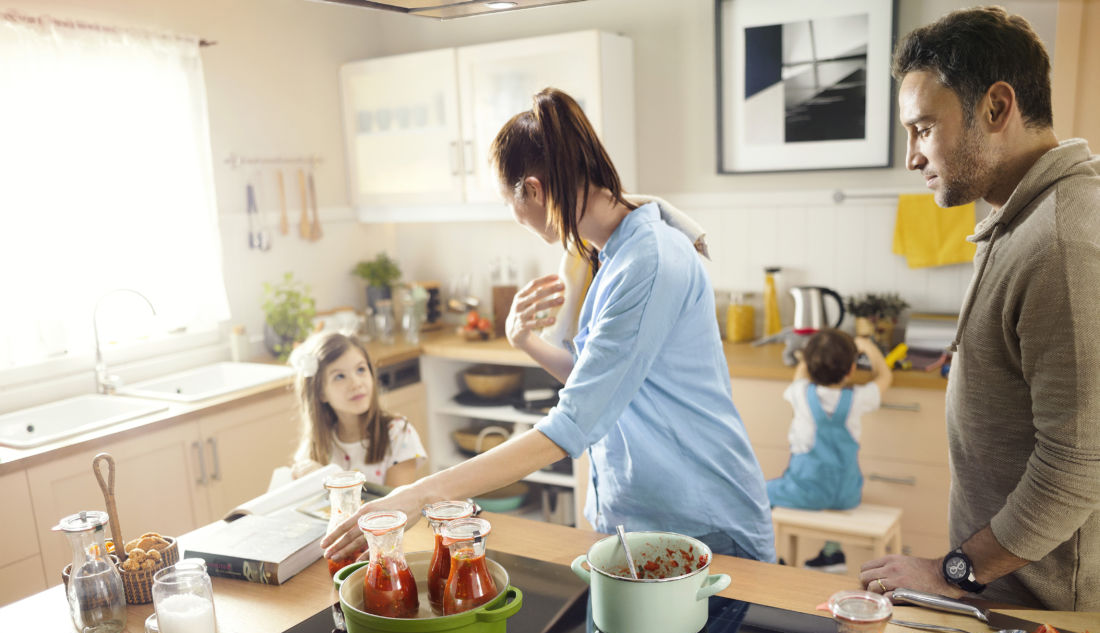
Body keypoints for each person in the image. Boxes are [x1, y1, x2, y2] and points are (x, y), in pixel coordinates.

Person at [323, 87, 775, 566]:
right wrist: (525, 341)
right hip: (641, 521)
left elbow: (573, 422)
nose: (514, 216)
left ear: (534, 190)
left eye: (507, 202)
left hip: (700, 525)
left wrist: (419, 494)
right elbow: (603, 380)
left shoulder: (648, 261)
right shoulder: (612, 252)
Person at [860, 6, 1100, 611]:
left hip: (1049, 619)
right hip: (1010, 591)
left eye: (922, 129)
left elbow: (1077, 465)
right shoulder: (1018, 220)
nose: (912, 156)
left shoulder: (1064, 242)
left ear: (996, 108)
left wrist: (955, 570)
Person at [767, 329, 892, 573]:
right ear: (851, 370)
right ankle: (832, 554)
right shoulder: (857, 398)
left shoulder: (801, 393)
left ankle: (769, 555)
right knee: (834, 496)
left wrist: (808, 354)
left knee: (758, 494)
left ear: (810, 366)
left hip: (804, 492)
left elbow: (800, 374)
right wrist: (867, 346)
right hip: (847, 495)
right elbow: (885, 377)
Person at [289, 330, 425, 487]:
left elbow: (393, 505)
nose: (356, 383)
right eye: (339, 376)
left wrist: (328, 480)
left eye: (361, 369)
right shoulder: (316, 445)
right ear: (320, 393)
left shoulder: (398, 434)